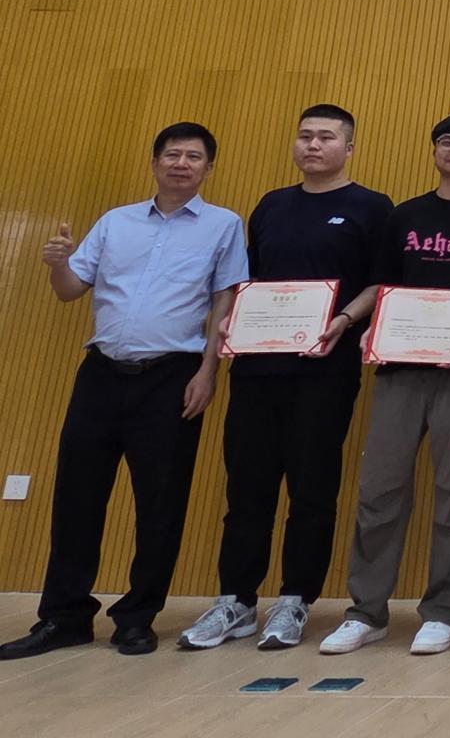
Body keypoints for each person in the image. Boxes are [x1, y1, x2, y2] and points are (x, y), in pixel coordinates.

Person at [0, 122, 248, 661]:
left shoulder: (224, 225)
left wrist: (208, 372)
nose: (181, 164)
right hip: (100, 373)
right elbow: (70, 291)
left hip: (173, 376)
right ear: (155, 162)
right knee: (76, 498)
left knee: (160, 503)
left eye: (194, 157)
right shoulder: (116, 221)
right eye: (172, 154)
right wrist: (57, 264)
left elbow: (225, 302)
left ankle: (137, 618)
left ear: (209, 168)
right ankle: (63, 617)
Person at [180, 105, 394, 652]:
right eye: (305, 136)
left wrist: (344, 319)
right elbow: (246, 280)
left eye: (326, 137)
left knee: (312, 489)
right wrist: (229, 320)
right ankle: (235, 601)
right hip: (256, 367)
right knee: (246, 487)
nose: (313, 145)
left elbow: (380, 283)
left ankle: (295, 599)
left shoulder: (372, 207)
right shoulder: (272, 205)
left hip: (324, 368)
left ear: (349, 148)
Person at [318, 112, 450, 657]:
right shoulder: (404, 215)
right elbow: (383, 284)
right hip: (399, 370)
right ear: (434, 151)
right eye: (446, 141)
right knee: (379, 491)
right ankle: (366, 612)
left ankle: (442, 613)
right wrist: (367, 326)